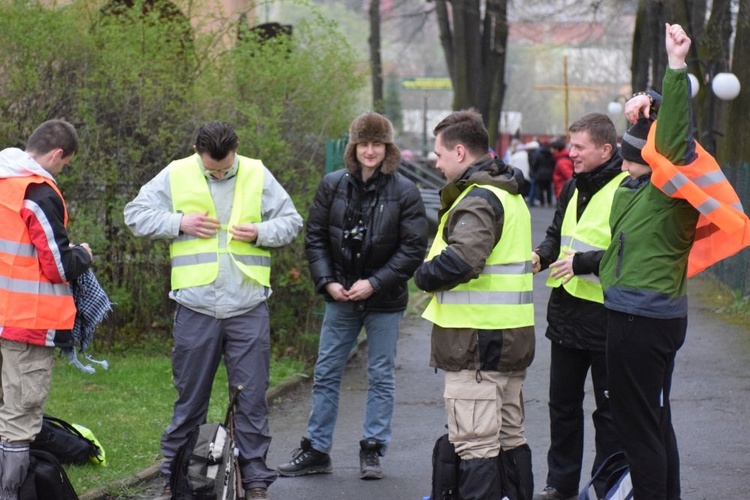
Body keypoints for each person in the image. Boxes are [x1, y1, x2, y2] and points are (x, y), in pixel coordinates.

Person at [600, 24, 750, 499]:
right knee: (654, 421)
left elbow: (676, 137)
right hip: (643, 313)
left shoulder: (669, 186)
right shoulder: (637, 190)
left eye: (630, 156)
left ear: (653, 156)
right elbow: (616, 248)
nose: (623, 165)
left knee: (639, 429)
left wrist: (675, 68)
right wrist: (648, 101)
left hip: (639, 319)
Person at [123, 121, 303, 500]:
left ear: (236, 149)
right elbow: (135, 214)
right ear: (197, 151)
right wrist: (178, 222)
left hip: (248, 306)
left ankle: (255, 481)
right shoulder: (176, 173)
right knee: (189, 402)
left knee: (252, 400)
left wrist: (260, 233)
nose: (219, 173)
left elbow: (291, 222)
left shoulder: (256, 172)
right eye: (212, 169)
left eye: (225, 168)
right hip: (196, 307)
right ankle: (177, 480)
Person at [276, 112, 428, 480]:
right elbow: (315, 238)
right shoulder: (332, 185)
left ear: (387, 148)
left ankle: (372, 450)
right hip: (340, 296)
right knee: (326, 372)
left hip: (384, 300)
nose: (371, 151)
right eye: (364, 143)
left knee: (380, 375)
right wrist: (327, 281)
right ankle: (316, 449)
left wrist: (374, 283)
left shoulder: (404, 190)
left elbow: (412, 249)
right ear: (354, 147)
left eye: (377, 144)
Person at [414, 109, 535, 499]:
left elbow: (464, 259)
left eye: (439, 153)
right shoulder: (508, 193)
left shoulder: (479, 199)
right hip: (507, 340)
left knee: (475, 445)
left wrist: (422, 275)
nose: (436, 161)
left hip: (476, 346)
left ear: (461, 152)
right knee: (509, 438)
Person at [530, 113, 626, 500]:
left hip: (607, 317)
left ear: (606, 149)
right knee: (563, 406)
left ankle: (606, 484)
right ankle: (561, 482)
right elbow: (557, 233)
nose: (571, 153)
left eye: (579, 147)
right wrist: (540, 255)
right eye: (572, 146)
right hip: (567, 314)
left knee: (609, 412)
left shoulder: (627, 188)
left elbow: (629, 252)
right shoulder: (573, 185)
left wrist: (583, 264)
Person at [0, 120, 93, 499]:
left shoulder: (4, 181)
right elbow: (57, 266)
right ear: (57, 154)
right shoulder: (37, 191)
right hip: (27, 323)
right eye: (65, 164)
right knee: (20, 418)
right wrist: (83, 256)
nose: (61, 170)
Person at [530, 142, 555, 207]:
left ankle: (542, 202)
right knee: (548, 189)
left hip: (540, 173)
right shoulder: (551, 155)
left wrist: (535, 171)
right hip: (549, 174)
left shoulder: (538, 155)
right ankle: (549, 202)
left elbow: (534, 164)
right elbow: (553, 164)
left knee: (540, 189)